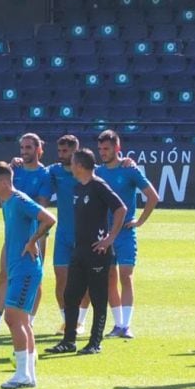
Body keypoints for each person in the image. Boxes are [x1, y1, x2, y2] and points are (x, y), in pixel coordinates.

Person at [0, 162, 56, 389]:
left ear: (4, 182)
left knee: (13, 319)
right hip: (17, 268)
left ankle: (22, 375)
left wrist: (33, 242)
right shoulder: (6, 202)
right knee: (21, 321)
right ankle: (28, 375)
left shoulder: (19, 200)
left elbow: (49, 218)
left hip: (26, 269)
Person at [46, 148, 126, 356]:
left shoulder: (98, 185)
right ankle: (69, 341)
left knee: (98, 297)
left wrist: (110, 238)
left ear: (80, 166)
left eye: (73, 162)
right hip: (79, 250)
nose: (70, 166)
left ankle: (95, 342)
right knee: (71, 295)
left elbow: (121, 209)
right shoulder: (78, 187)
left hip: (97, 251)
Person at [0, 133, 51, 337]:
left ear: (39, 150)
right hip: (13, 232)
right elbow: (1, 188)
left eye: (28, 148)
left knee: (33, 277)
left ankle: (27, 322)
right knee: (4, 275)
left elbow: (41, 208)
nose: (24, 152)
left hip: (35, 233)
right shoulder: (14, 169)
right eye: (22, 147)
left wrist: (33, 239)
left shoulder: (44, 174)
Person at [95, 130, 159, 339]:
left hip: (125, 233)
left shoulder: (130, 170)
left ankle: (126, 325)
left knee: (126, 276)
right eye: (100, 149)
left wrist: (140, 221)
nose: (103, 152)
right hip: (105, 234)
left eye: (106, 148)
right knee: (109, 278)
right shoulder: (98, 172)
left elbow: (153, 196)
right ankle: (118, 324)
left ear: (117, 148)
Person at [47, 134, 90, 335]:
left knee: (85, 280)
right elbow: (35, 169)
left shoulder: (89, 172)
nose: (61, 154)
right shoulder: (54, 171)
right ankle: (68, 321)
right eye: (59, 151)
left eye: (65, 151)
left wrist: (126, 161)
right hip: (63, 235)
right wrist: (17, 162)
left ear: (75, 151)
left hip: (84, 234)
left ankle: (80, 321)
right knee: (61, 279)